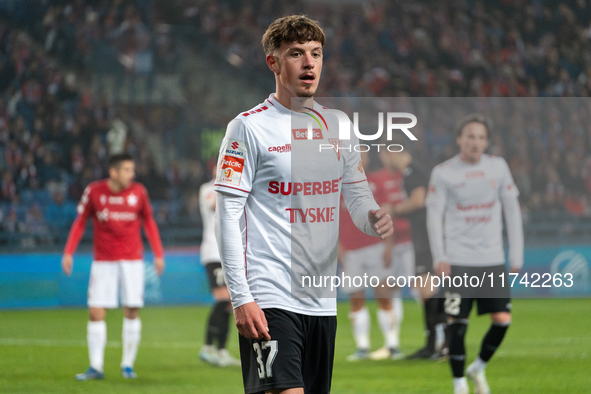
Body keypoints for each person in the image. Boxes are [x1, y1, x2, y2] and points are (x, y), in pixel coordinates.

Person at [214, 15, 393, 394]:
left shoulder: (339, 125)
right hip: (270, 295)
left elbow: (357, 194)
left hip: (322, 301)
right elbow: (227, 214)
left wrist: (371, 217)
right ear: (273, 63)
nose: (309, 63)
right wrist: (241, 297)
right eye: (296, 53)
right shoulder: (247, 128)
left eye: (316, 53)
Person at [426, 115, 523, 394]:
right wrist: (439, 256)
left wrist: (515, 255)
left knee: (503, 320)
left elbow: (512, 210)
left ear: (487, 141)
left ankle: (478, 367)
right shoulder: (444, 172)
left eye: (481, 137)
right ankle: (459, 384)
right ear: (459, 140)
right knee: (458, 323)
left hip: (492, 259)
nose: (475, 142)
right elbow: (434, 216)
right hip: (457, 260)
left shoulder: (498, 167)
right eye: (470, 136)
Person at [62, 153, 165, 381]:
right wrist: (68, 251)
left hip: (132, 261)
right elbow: (80, 222)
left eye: (132, 170)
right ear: (114, 172)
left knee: (131, 310)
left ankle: (127, 365)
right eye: (127, 170)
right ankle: (96, 367)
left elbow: (148, 221)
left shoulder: (139, 192)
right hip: (103, 261)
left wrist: (158, 253)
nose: (132, 174)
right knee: (96, 311)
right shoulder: (94, 191)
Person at [380, 139, 448, 360]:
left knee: (427, 289)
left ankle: (440, 344)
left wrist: (393, 209)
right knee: (424, 289)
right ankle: (434, 344)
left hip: (427, 236)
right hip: (424, 235)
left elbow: (419, 200)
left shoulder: (412, 171)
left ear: (392, 152)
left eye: (383, 155)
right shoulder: (413, 170)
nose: (383, 160)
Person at [338, 152, 403, 361]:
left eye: (362, 154)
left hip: (376, 246)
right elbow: (328, 218)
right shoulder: (336, 185)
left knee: (384, 295)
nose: (358, 158)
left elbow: (387, 214)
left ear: (367, 159)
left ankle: (392, 345)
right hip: (350, 250)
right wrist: (336, 246)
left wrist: (389, 245)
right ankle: (362, 347)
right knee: (356, 298)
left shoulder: (376, 182)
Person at [198, 165, 240, 367]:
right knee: (224, 298)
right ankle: (207, 347)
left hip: (230, 252)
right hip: (213, 252)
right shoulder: (207, 188)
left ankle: (221, 350)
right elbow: (217, 206)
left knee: (230, 303)